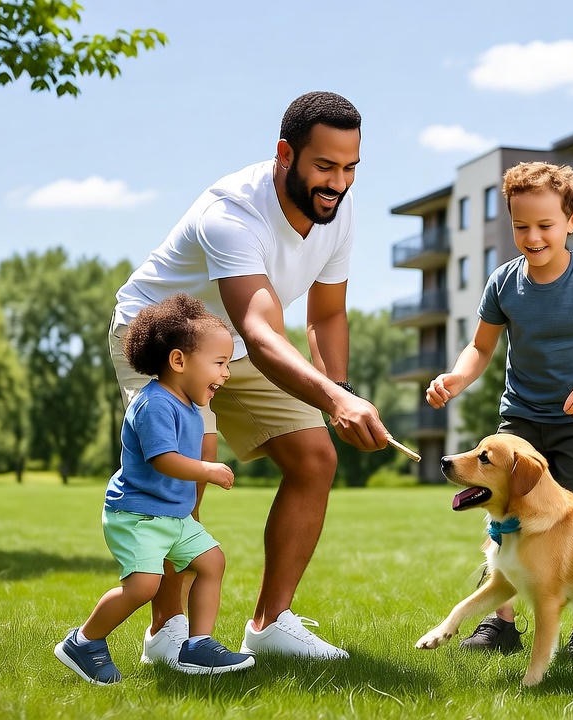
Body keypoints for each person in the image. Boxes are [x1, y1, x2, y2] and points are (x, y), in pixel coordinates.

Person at [110, 91, 389, 664]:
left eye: (350, 168)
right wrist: (334, 399)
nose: (338, 182)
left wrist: (335, 392)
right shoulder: (232, 213)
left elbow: (328, 313)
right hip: (164, 340)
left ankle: (270, 623)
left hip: (238, 342)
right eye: (325, 166)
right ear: (286, 154)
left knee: (315, 459)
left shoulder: (337, 209)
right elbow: (262, 331)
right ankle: (168, 634)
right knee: (179, 480)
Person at [426, 161, 573, 657]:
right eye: (522, 226)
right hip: (519, 418)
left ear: (572, 221)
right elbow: (480, 348)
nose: (534, 236)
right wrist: (457, 377)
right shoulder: (503, 282)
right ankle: (501, 624)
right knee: (504, 514)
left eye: (545, 225)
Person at [55, 294, 253, 685]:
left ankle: (199, 643)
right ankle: (84, 641)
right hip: (139, 515)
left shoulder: (189, 406)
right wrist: (208, 470)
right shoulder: (154, 404)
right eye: (219, 363)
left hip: (172, 516)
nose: (226, 373)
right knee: (143, 586)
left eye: (227, 364)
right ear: (178, 361)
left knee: (212, 562)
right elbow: (163, 459)